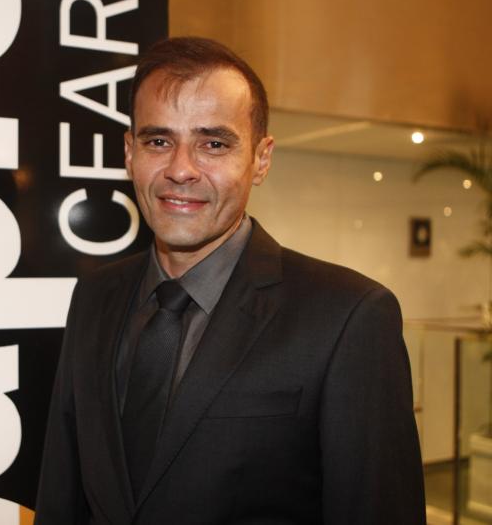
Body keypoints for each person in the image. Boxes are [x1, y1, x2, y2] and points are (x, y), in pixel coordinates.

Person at [35, 37, 425, 524]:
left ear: (261, 159)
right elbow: (62, 491)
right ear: (130, 153)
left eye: (213, 144)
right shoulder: (95, 296)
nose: (181, 169)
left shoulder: (349, 316)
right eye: (159, 141)